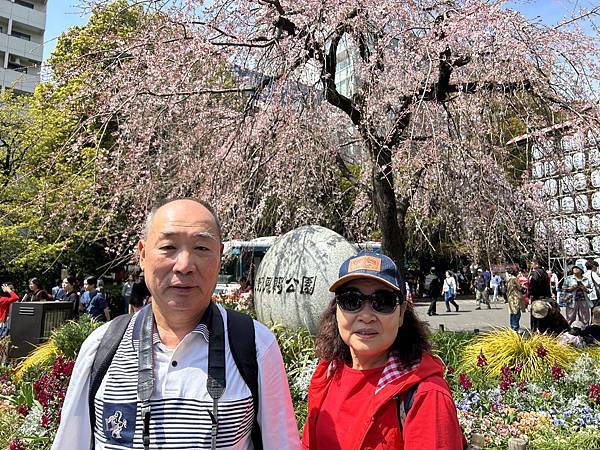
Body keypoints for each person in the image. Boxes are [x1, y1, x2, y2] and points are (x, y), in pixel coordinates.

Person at [52, 198, 300, 450]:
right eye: (169, 247)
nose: (184, 266)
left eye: (202, 248)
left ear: (220, 257)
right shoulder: (101, 347)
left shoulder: (255, 344)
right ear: (143, 254)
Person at [301, 251, 466, 450]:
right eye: (351, 301)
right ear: (337, 310)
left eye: (383, 302)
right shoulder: (328, 372)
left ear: (401, 314)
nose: (366, 315)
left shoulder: (425, 395)